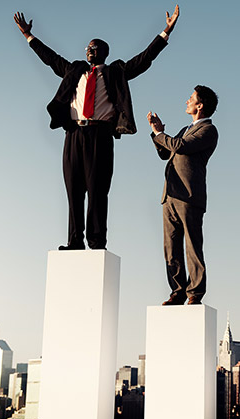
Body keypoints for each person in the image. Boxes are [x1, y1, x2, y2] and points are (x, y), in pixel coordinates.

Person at [13, 6, 180, 250]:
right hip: (74, 134)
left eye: (91, 48)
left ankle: (96, 241)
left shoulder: (115, 73)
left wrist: (166, 31)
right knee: (73, 190)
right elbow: (51, 59)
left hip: (100, 136)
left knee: (98, 190)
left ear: (102, 52)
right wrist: (29, 36)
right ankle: (74, 241)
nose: (87, 51)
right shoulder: (74, 69)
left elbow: (144, 59)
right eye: (86, 49)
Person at [147, 85, 218, 305]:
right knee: (171, 247)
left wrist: (160, 134)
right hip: (169, 195)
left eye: (191, 98)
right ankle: (177, 291)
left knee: (192, 246)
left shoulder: (207, 130)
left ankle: (195, 292)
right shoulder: (186, 128)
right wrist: (156, 132)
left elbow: (180, 146)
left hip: (189, 196)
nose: (187, 101)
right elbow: (165, 152)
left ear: (200, 105)